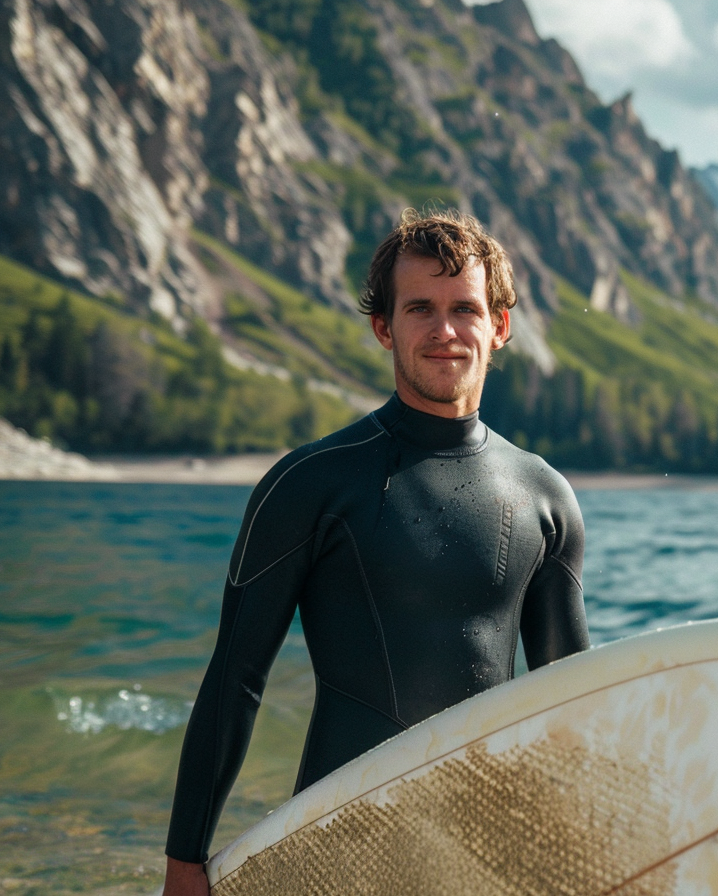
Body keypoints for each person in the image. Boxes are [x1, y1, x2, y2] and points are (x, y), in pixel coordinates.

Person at [162, 209, 591, 895]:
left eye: (465, 309)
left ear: (500, 327)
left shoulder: (544, 495)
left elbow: (571, 699)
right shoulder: (311, 483)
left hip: (483, 851)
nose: (445, 331)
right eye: (420, 308)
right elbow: (236, 679)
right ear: (384, 327)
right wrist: (186, 862)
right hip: (341, 847)